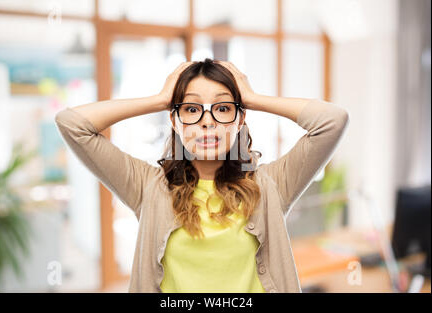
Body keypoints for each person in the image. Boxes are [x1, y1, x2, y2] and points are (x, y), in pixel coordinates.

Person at [54, 58, 350, 293]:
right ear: (174, 119)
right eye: (192, 109)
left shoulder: (271, 185)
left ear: (240, 118)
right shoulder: (147, 187)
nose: (207, 122)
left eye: (222, 108)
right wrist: (159, 100)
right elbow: (72, 125)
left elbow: (332, 121)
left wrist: (251, 97)